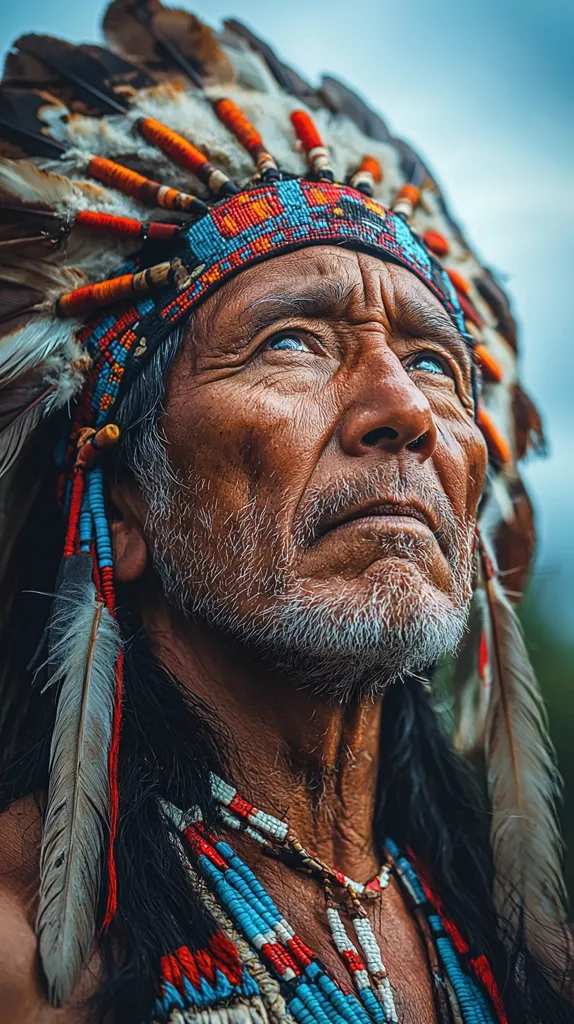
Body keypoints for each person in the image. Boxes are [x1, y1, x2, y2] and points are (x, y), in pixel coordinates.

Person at [0, 3, 571, 1023]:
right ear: (123, 503)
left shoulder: (535, 964)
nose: (403, 409)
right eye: (291, 343)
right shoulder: (28, 960)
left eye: (436, 363)